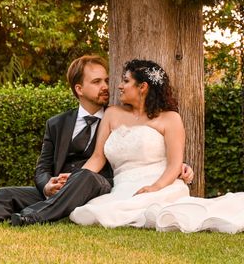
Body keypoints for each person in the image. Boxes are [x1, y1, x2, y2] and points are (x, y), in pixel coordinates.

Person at [0, 55, 193, 228]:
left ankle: (34, 216)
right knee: (3, 193)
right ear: (79, 89)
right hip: (60, 190)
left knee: (84, 177)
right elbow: (42, 168)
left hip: (98, 186)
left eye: (108, 80)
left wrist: (180, 168)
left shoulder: (117, 116)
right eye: (97, 81)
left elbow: (144, 151)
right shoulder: (57, 124)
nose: (107, 86)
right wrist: (48, 185)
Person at [70, 59, 244, 233]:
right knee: (95, 211)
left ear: (142, 87)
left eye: (126, 81)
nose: (119, 86)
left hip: (162, 185)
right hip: (122, 187)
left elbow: (175, 165)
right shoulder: (112, 114)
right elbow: (98, 157)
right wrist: (75, 181)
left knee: (157, 209)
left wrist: (155, 187)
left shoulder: (170, 118)